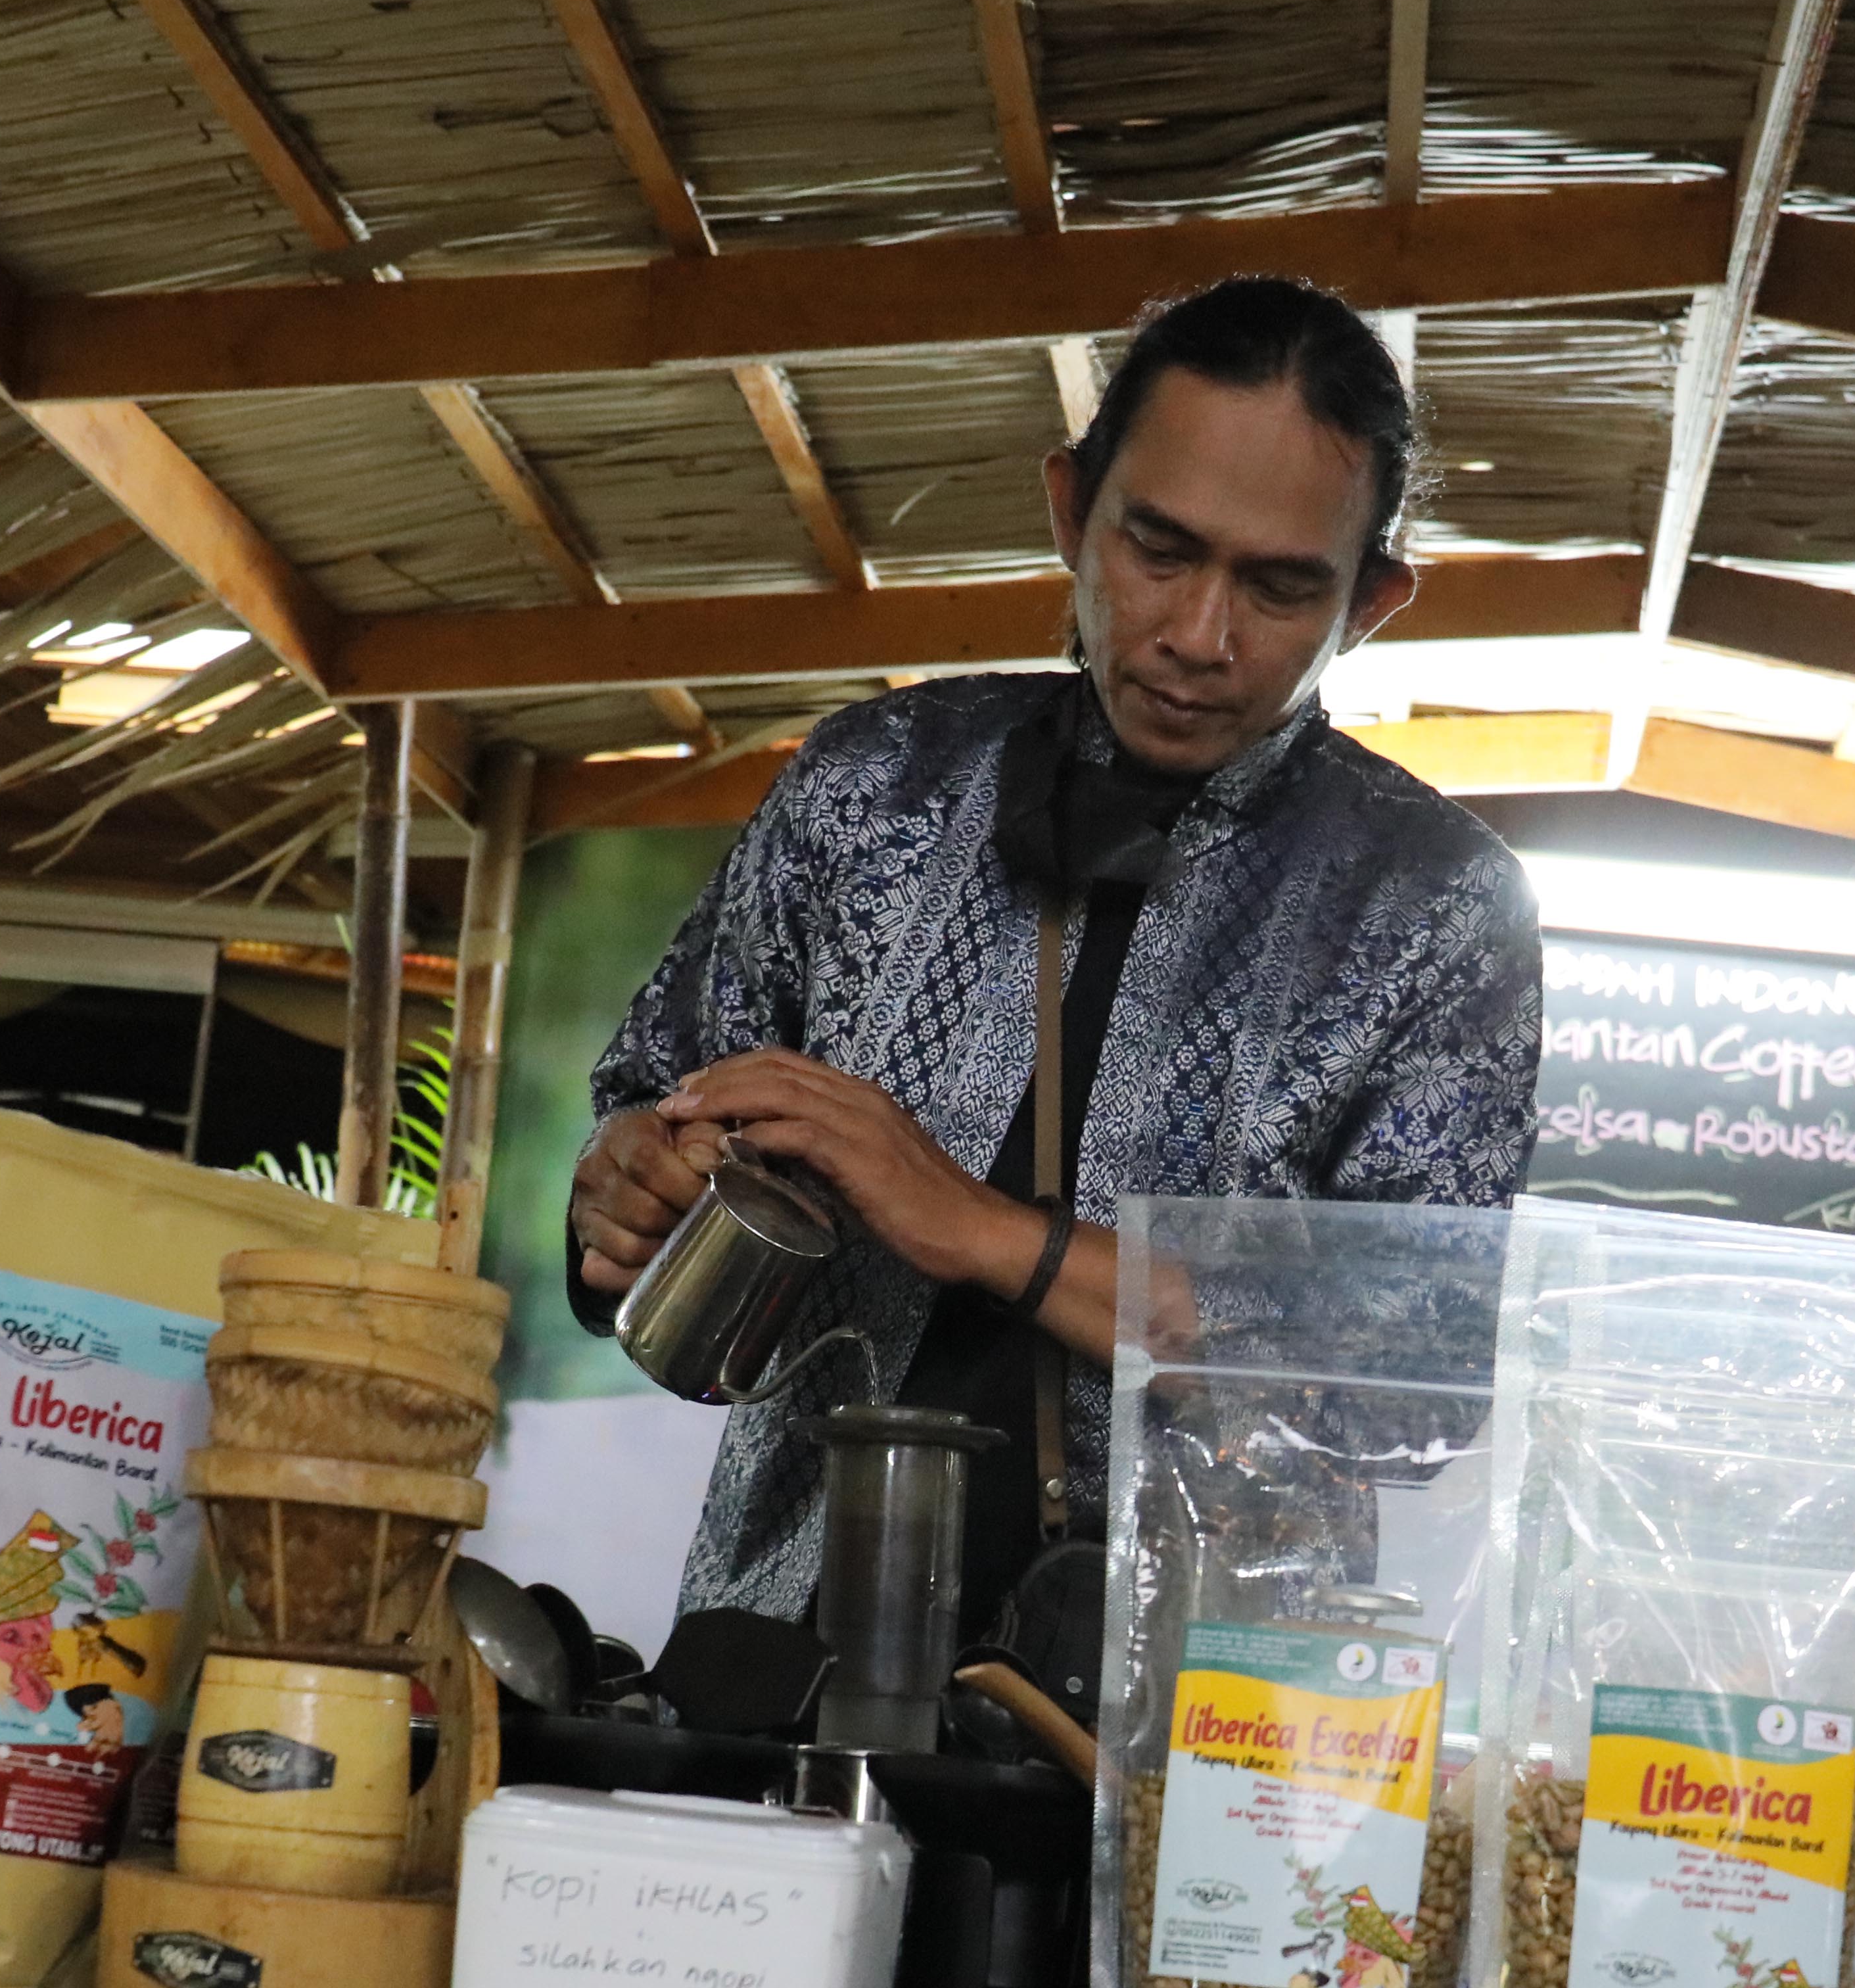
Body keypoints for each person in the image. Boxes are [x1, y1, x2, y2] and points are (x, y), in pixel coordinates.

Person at [569, 275, 1544, 1637]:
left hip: (1192, 1735)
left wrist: (974, 1228)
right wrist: (627, 1186)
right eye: (1159, 549)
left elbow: (1414, 1381)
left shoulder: (1439, 908)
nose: (1200, 636)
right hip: (782, 1652)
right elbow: (655, 1093)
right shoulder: (874, 785)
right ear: (1069, 511)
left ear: (1372, 599)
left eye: (1279, 586)